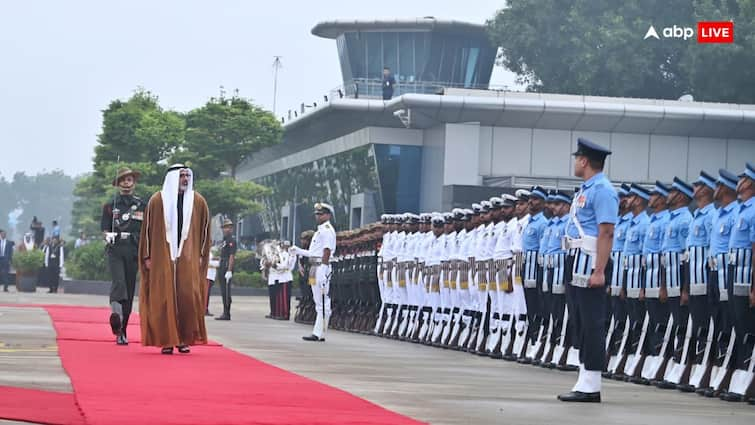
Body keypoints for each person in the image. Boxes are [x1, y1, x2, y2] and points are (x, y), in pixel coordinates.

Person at [558, 138, 618, 403]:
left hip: (591, 260)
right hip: (576, 258)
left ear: (584, 161)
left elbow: (606, 231)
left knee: (592, 322)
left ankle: (592, 383)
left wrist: (600, 270)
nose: (574, 162)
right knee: (580, 321)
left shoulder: (603, 190)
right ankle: (584, 378)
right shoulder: (587, 188)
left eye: (576, 158)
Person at [138, 164, 211, 355]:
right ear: (172, 178)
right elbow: (146, 231)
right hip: (162, 257)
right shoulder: (157, 201)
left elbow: (205, 231)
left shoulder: (198, 201)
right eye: (181, 176)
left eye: (187, 176)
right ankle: (167, 340)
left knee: (187, 297)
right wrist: (147, 255)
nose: (185, 179)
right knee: (164, 299)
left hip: (188, 259)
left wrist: (202, 254)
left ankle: (184, 339)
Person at [101, 167, 146, 345]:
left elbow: (146, 230)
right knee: (118, 283)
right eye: (123, 180)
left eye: (129, 180)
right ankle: (116, 316)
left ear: (134, 183)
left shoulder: (142, 205)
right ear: (118, 184)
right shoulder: (110, 205)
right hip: (116, 249)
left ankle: (123, 330)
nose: (127, 183)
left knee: (128, 290)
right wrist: (107, 236)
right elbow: (104, 229)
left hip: (133, 250)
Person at [290, 202, 337, 342]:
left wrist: (323, 267)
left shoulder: (327, 230)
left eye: (321, 214)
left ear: (328, 215)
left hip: (321, 267)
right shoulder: (319, 230)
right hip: (314, 268)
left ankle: (319, 333)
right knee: (318, 301)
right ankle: (319, 331)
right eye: (317, 214)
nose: (318, 216)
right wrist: (298, 251)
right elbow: (313, 252)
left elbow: (327, 251)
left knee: (322, 301)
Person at [215, 219, 237, 321]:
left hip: (227, 266)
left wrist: (229, 270)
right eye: (224, 227)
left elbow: (232, 256)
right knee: (223, 291)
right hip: (222, 265)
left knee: (227, 292)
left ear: (231, 229)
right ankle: (225, 311)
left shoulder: (232, 241)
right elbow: (222, 255)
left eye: (228, 227)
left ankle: (227, 313)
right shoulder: (225, 240)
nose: (226, 229)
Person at [206, 247, 219, 316]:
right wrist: (218, 263)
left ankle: (206, 308)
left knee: (207, 295)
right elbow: (208, 263)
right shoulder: (207, 253)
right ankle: (204, 309)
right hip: (208, 275)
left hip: (211, 276)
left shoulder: (210, 253)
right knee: (206, 294)